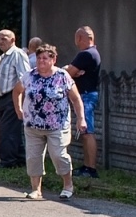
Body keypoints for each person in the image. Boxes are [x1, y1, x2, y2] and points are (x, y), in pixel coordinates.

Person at [14, 43, 85, 200]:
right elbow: (17, 91)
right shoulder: (29, 75)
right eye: (39, 58)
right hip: (33, 125)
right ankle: (36, 189)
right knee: (33, 158)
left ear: (53, 60)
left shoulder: (62, 76)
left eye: (45, 58)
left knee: (58, 155)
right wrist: (18, 109)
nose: (41, 62)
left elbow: (75, 98)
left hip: (57, 125)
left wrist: (81, 119)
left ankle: (68, 185)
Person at [66, 26, 101, 178]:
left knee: (87, 131)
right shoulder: (93, 53)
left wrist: (69, 69)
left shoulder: (85, 54)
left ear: (80, 38)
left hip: (86, 96)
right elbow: (72, 72)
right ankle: (87, 166)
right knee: (85, 131)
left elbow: (67, 73)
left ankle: (91, 168)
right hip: (88, 94)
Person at [0, 29, 29, 168]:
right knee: (11, 130)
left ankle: (8, 162)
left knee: (7, 131)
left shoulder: (17, 54)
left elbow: (24, 78)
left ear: (13, 40)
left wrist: (20, 101)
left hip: (12, 97)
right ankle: (19, 159)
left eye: (4, 38)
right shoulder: (5, 56)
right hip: (3, 98)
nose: (1, 41)